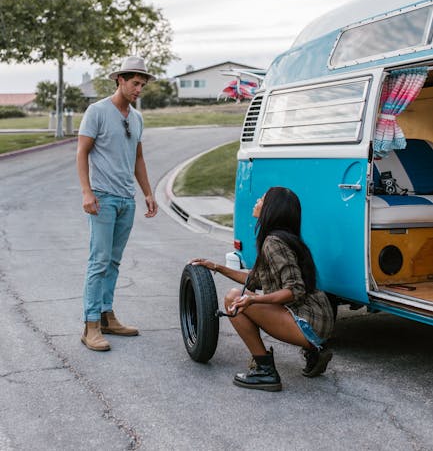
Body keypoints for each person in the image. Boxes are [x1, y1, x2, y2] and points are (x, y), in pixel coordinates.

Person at [191, 186, 334, 391]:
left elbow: (295, 289)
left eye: (263, 199)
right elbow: (254, 280)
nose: (257, 200)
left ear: (272, 209)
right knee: (241, 296)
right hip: (319, 318)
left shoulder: (273, 242)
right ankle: (314, 352)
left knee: (233, 299)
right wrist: (217, 267)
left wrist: (254, 300)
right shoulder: (283, 238)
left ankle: (265, 370)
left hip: (308, 323)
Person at [77, 55, 158, 352]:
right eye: (135, 83)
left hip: (127, 200)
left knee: (113, 261)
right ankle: (91, 325)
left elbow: (137, 157)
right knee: (98, 261)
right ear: (120, 80)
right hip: (103, 198)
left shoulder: (136, 118)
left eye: (142, 84)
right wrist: (87, 192)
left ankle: (107, 315)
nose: (139, 89)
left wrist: (148, 192)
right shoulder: (96, 111)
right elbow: (82, 153)